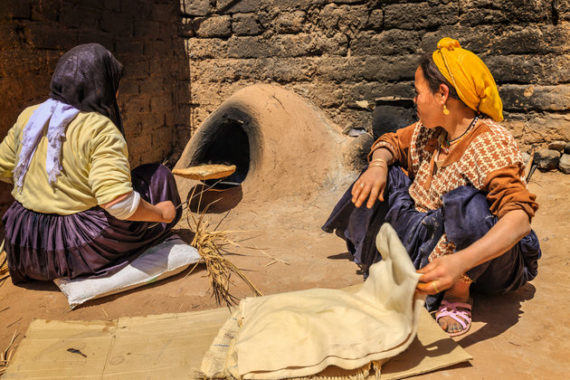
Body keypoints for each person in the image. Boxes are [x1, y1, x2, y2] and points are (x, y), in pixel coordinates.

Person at [323, 38, 541, 337]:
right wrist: (377, 166)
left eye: (418, 92)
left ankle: (458, 293)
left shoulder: (490, 142)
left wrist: (460, 263)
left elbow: (519, 218)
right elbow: (391, 142)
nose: (415, 100)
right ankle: (407, 258)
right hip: (429, 233)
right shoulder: (430, 131)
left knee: (470, 204)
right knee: (386, 174)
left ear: (442, 94)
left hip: (485, 264)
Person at [0, 43, 182, 284]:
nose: (116, 93)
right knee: (157, 176)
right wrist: (161, 213)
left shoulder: (30, 116)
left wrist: (47, 190)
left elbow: (4, 169)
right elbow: (118, 203)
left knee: (138, 177)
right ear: (102, 86)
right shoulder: (99, 128)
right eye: (113, 85)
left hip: (22, 243)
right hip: (73, 250)